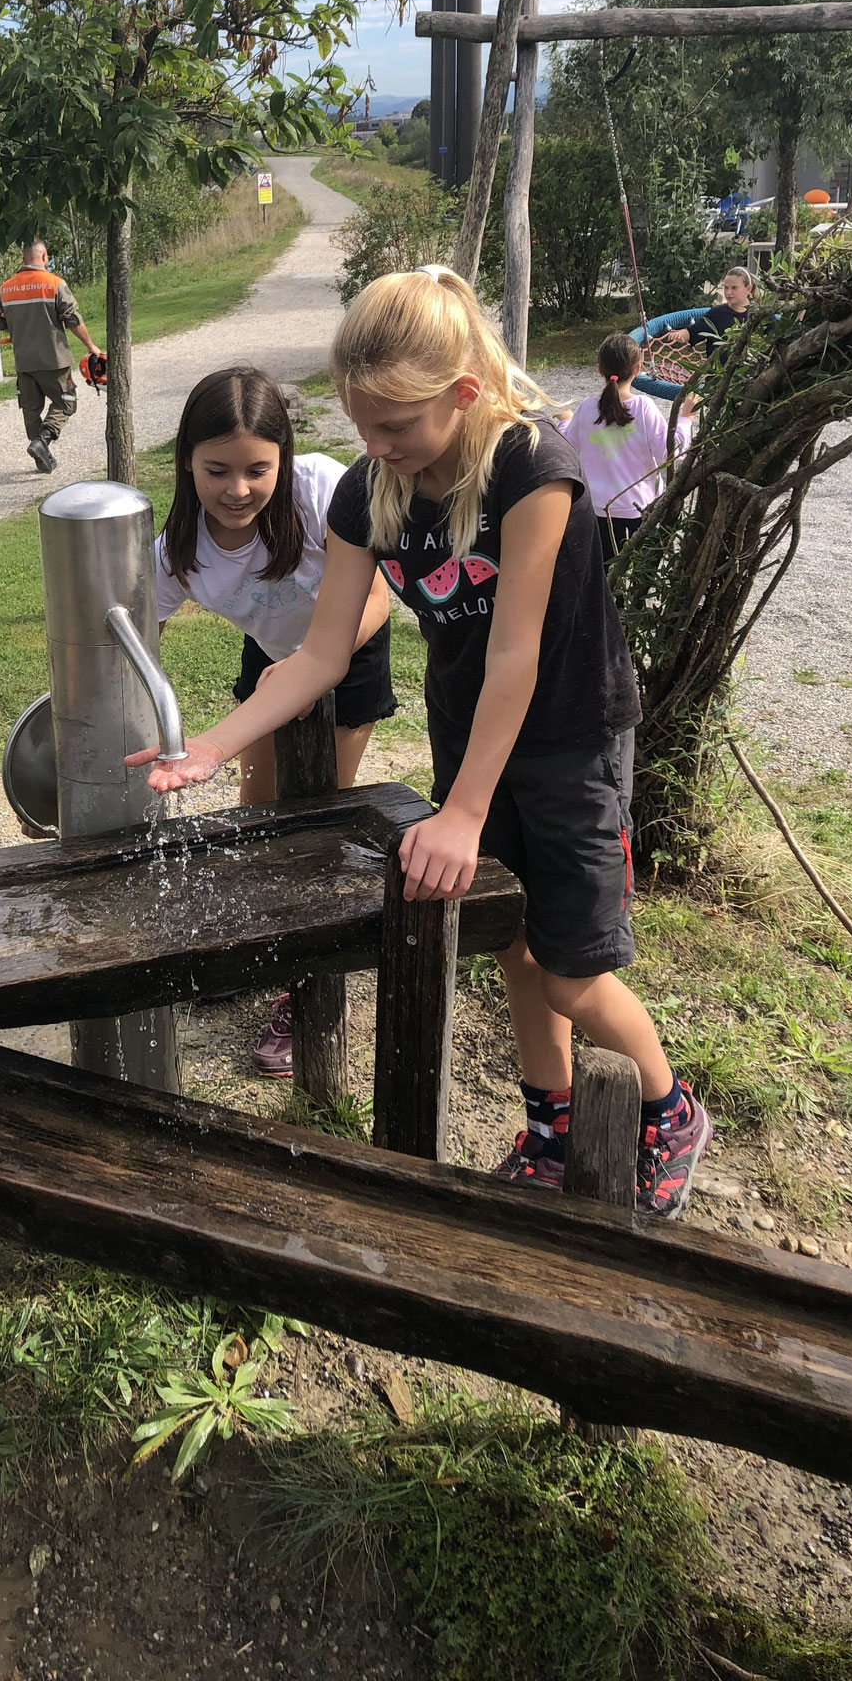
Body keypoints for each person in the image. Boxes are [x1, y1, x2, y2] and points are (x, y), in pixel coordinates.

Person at [134, 266, 712, 1218]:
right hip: (471, 732)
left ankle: (668, 1106)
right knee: (515, 947)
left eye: (395, 427)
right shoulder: (372, 492)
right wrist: (208, 745)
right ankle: (550, 1125)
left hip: (568, 735)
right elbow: (320, 654)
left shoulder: (535, 466)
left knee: (571, 972)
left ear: (464, 395)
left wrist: (462, 811)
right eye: (363, 428)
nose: (376, 448)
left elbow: (518, 655)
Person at [155, 367, 395, 1077]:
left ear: (283, 459)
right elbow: (137, 647)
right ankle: (255, 951)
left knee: (314, 821)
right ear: (187, 465)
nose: (237, 489)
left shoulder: (323, 489)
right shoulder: (177, 548)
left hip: (349, 653)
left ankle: (308, 990)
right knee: (256, 815)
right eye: (216, 470)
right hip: (268, 660)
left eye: (258, 469)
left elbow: (377, 598)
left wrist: (312, 666)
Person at [558, 334, 696, 563]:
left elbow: (566, 450)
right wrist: (686, 419)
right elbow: (670, 453)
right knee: (640, 577)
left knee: (604, 577)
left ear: (599, 369)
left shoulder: (587, 407)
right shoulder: (643, 407)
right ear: (638, 369)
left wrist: (565, 420)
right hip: (639, 510)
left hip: (598, 511)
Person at [0, 239, 102, 474]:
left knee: (31, 409)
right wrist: (91, 345)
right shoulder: (54, 284)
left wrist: (17, 328)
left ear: (23, 259)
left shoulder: (5, 288)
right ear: (44, 257)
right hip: (54, 359)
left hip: (24, 361)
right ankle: (44, 439)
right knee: (66, 401)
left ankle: (41, 454)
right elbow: (73, 319)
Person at [631, 266, 754, 402]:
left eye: (734, 288)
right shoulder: (717, 313)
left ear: (748, 289)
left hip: (748, 377)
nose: (728, 292)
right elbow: (696, 330)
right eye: (725, 287)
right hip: (718, 378)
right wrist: (684, 333)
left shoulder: (757, 315)